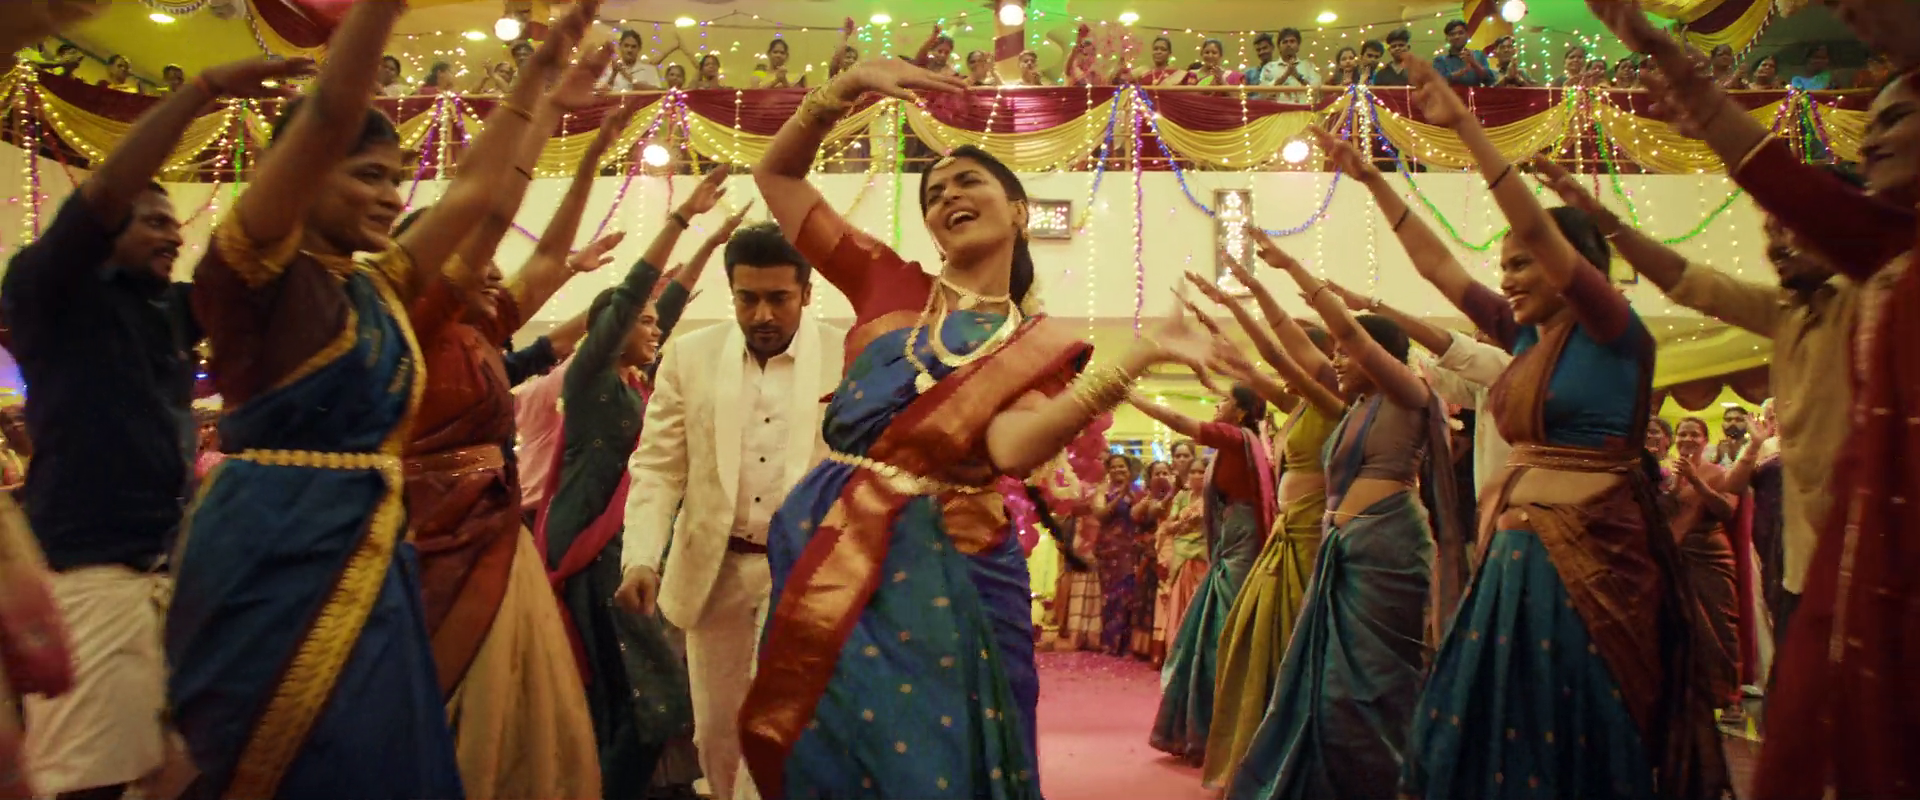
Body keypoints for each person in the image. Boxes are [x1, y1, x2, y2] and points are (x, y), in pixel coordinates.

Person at [739, 57, 1215, 799]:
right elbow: (778, 178)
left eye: (968, 182)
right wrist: (842, 89)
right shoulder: (884, 281)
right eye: (934, 193)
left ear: (1018, 211)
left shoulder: (1035, 347)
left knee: (940, 761)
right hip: (836, 544)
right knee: (834, 753)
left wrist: (1137, 357)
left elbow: (1010, 448)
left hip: (956, 563)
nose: (948, 196)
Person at [162, 2, 592, 796]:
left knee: (379, 760)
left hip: (376, 556)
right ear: (302, 171)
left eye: (397, 179)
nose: (392, 197)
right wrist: (380, 13)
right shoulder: (252, 275)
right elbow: (329, 112)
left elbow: (481, 199)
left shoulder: (381, 290)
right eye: (368, 175)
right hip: (271, 549)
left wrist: (538, 78)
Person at [1361, 47, 1726, 798]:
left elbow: (1536, 227)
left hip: (1594, 563)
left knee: (1579, 731)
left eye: (1523, 264)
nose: (1507, 278)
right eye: (1504, 266)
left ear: (1571, 268)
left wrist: (1466, 127)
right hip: (1514, 565)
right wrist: (1370, 180)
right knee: (1498, 737)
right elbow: (1437, 268)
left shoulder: (1613, 329)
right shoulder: (1524, 337)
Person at [1584, 2, 1919, 795]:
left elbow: (1796, 193)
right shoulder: (1819, 298)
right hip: (1831, 564)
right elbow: (1693, 280)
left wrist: (1682, 75)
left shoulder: (1871, 275)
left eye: (1897, 115)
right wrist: (1610, 227)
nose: (1870, 138)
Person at [2, 53, 303, 800]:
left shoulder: (165, 309)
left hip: (168, 573)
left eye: (176, 223)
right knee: (87, 783)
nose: (174, 235)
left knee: (179, 772)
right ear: (104, 228)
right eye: (154, 221)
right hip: (90, 573)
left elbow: (249, 263)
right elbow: (107, 190)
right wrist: (204, 91)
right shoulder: (49, 290)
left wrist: (308, 145)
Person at [397, 63, 627, 797]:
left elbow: (550, 260)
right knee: (445, 706)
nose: (495, 268)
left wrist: (591, 159)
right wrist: (543, 110)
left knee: (521, 717)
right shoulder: (410, 333)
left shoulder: (479, 331)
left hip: (498, 536)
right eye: (475, 258)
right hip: (428, 542)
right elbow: (490, 209)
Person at [616, 220, 845, 800]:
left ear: (807, 293)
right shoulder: (689, 356)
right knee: (716, 734)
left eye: (779, 298)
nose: (762, 314)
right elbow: (659, 467)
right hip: (713, 572)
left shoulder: (847, 356)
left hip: (804, 573)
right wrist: (640, 557)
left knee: (783, 730)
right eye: (748, 299)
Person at [1226, 233, 1460, 800]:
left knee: (1375, 685)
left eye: (1346, 352)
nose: (1335, 358)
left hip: (1388, 548)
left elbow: (1348, 335)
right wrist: (1248, 295)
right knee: (1329, 681)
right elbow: (1283, 352)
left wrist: (1295, 271)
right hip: (1344, 549)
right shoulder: (1350, 408)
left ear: (1379, 357)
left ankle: (1388, 782)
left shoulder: (1407, 394)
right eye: (1332, 351)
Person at [534, 162, 734, 797]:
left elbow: (662, 304)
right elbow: (635, 299)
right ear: (610, 334)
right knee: (655, 703)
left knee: (635, 703)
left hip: (626, 552)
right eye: (642, 323)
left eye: (655, 323)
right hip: (593, 555)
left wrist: (710, 243)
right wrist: (681, 219)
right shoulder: (591, 381)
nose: (656, 328)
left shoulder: (634, 384)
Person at [1183, 254, 1343, 789]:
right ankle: (1264, 744)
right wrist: (1217, 326)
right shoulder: (1297, 404)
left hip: (1312, 533)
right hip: (1286, 532)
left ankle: (1298, 748)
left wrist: (1241, 296)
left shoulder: (1329, 398)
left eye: (1298, 351)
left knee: (1293, 641)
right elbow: (1251, 369)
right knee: (1247, 637)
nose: (1284, 363)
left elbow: (1270, 354)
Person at [1134, 383, 1276, 766]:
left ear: (1241, 412)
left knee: (1224, 629)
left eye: (1225, 400)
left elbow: (1179, 421)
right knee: (1206, 626)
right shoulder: (1241, 444)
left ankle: (1227, 732)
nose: (1217, 404)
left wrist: (1130, 396)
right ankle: (1203, 729)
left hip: (1242, 543)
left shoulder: (1237, 439)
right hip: (1231, 539)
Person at [1663, 418, 1744, 713]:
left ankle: (1728, 697)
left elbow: (1726, 510)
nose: (1687, 439)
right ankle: (1691, 695)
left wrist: (1696, 480)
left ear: (1705, 440)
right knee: (1681, 626)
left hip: (1710, 556)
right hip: (1676, 556)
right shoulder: (1668, 473)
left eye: (1694, 434)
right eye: (1682, 434)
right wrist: (1672, 488)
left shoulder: (1719, 472)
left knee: (1719, 627)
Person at [1089, 455, 1142, 655]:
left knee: (1129, 594)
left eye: (1122, 467)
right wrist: (1120, 496)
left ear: (1129, 470)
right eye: (1114, 467)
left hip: (1131, 548)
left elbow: (1143, 516)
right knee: (1111, 595)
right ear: (1108, 470)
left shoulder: (1138, 491)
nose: (1118, 470)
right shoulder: (1102, 491)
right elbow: (1100, 515)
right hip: (1109, 550)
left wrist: (1132, 495)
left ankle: (1126, 643)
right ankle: (1110, 642)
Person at [1434, 19, 1495, 87]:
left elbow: (1490, 81)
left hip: (1475, 93)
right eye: (1452, 34)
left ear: (1467, 36)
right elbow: (1438, 83)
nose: (1457, 37)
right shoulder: (1440, 60)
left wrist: (1474, 63)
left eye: (1461, 33)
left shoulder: (1478, 55)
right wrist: (1462, 71)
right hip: (1450, 94)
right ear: (1447, 39)